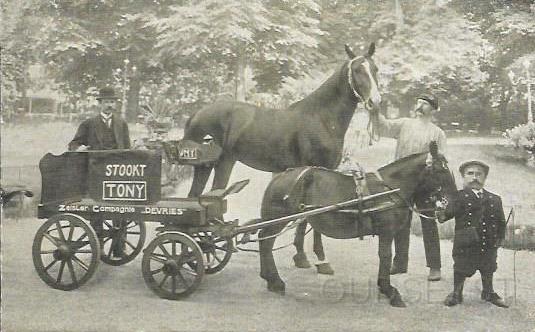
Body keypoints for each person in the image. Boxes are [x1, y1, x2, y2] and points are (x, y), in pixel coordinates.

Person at [377, 93, 446, 281]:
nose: (420, 105)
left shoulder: (437, 133)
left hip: (424, 183)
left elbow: (441, 159)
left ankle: (435, 267)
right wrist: (376, 110)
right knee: (400, 221)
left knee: (428, 222)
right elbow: (384, 127)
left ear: (433, 109)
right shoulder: (404, 124)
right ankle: (400, 263)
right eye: (419, 102)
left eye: (424, 103)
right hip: (401, 182)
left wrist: (434, 162)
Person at [437, 160, 508, 308]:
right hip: (466, 242)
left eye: (479, 174)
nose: (475, 177)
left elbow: (501, 221)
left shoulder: (495, 199)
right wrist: (439, 206)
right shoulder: (458, 197)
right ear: (463, 177)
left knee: (488, 266)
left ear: (484, 178)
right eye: (470, 173)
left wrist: (500, 238)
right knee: (461, 266)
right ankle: (457, 293)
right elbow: (444, 217)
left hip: (488, 242)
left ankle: (488, 292)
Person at [68, 86, 130, 151]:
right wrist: (78, 148)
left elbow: (127, 147)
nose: (109, 105)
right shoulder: (88, 124)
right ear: (99, 104)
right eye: (106, 102)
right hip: (96, 159)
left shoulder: (122, 124)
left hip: (117, 159)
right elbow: (73, 144)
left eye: (112, 102)